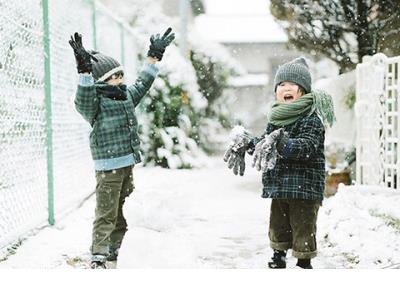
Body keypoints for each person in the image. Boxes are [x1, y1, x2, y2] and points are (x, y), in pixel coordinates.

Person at [69, 28, 175, 268]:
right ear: (101, 81)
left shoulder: (125, 96)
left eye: (121, 75)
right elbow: (82, 99)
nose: (121, 80)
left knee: (122, 207)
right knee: (106, 211)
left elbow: (143, 83)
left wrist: (153, 58)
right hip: (108, 168)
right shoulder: (95, 103)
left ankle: (116, 247)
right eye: (115, 77)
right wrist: (84, 72)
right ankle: (98, 252)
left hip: (127, 163)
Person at [224, 57, 335, 269]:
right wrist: (248, 142)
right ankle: (278, 254)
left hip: (304, 187)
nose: (287, 88)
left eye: (293, 84)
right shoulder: (275, 119)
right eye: (282, 85)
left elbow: (305, 147)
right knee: (278, 223)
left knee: (303, 224)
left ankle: (303, 260)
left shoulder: (311, 119)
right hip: (280, 183)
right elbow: (265, 145)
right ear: (276, 92)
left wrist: (283, 142)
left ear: (302, 91)